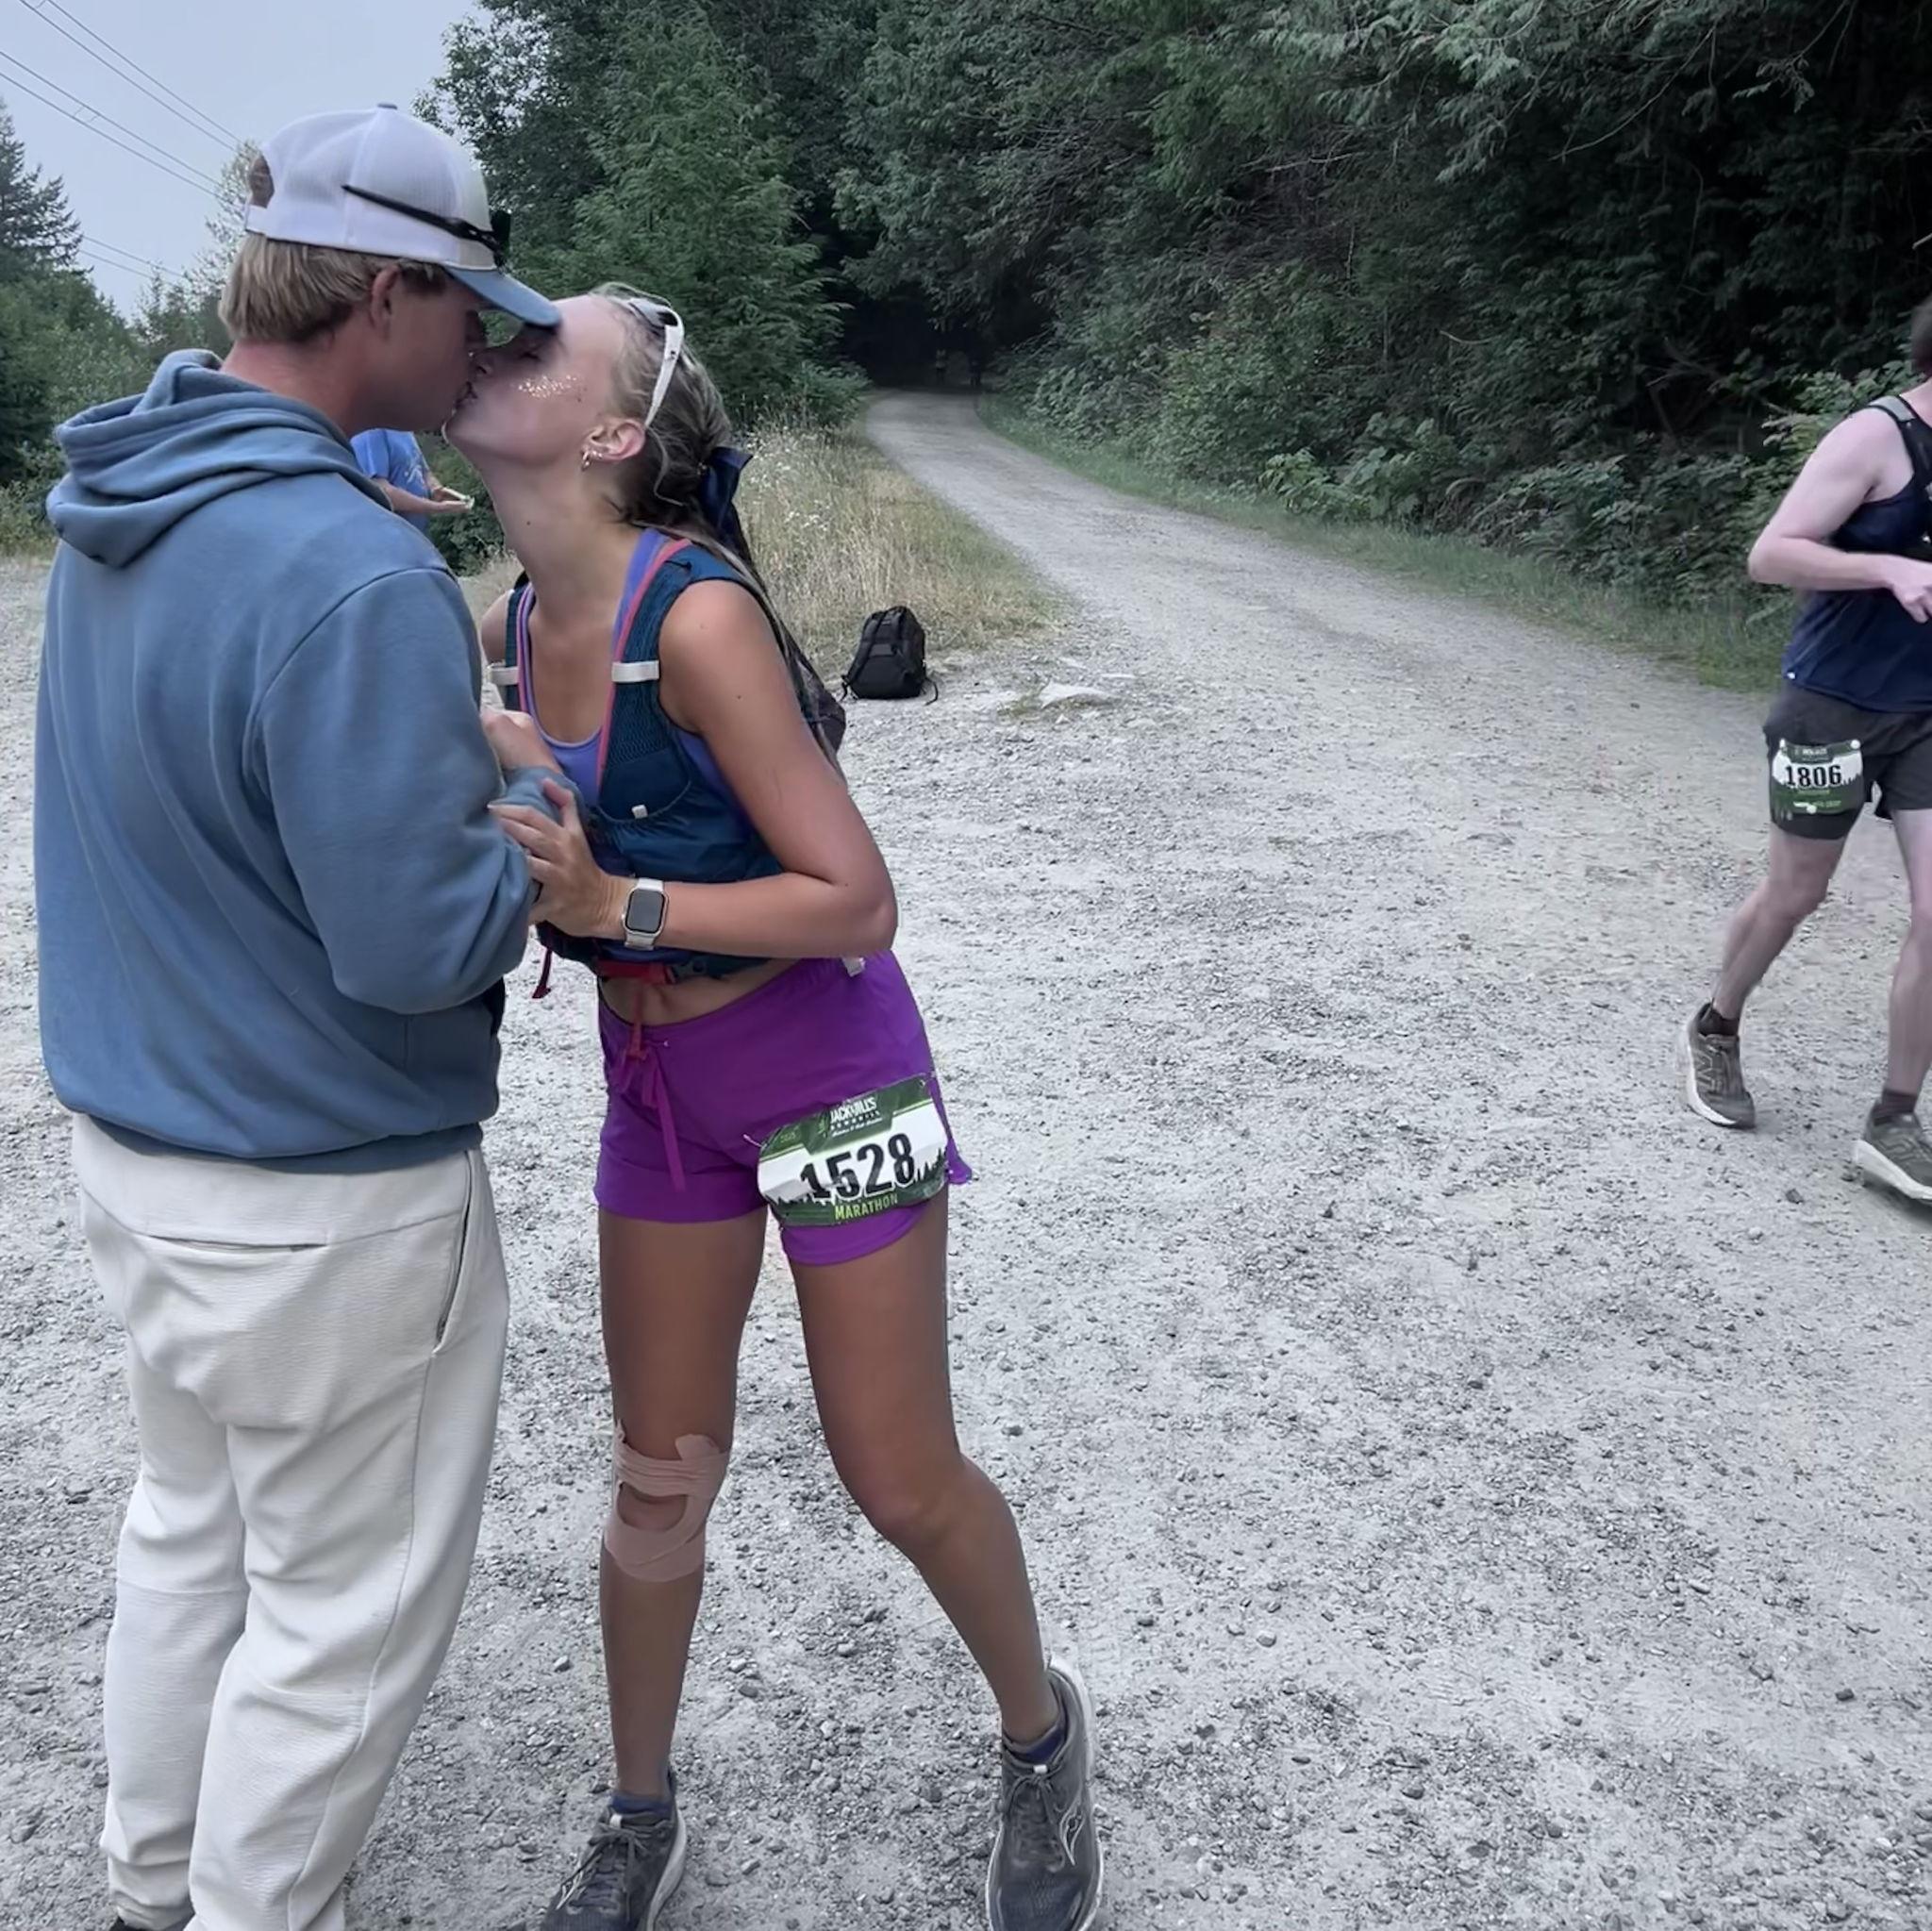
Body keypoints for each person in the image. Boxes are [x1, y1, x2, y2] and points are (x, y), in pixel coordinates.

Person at [447, 288, 1105, 1931]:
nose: (496, 345)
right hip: (659, 1092)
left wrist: (616, 899)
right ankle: (636, 1809)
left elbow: (856, 898)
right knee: (658, 1474)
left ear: (615, 432)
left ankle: (1041, 1734)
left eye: (541, 346)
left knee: (898, 1473)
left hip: (828, 1071)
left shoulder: (698, 620)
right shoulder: (509, 617)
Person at [35, 105, 558, 1931]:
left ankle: (148, 1884)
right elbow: (414, 947)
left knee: (190, 1536)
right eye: (468, 308)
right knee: (340, 1615)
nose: (481, 347)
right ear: (385, 294)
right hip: (324, 1197)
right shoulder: (352, 568)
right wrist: (529, 817)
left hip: (143, 1155)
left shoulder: (124, 503)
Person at [1686, 294, 1932, 1204]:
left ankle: (1894, 1120)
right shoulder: (1877, 438)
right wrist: (1886, 565)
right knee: (1798, 890)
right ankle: (1716, 1025)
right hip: (1832, 704)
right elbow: (1773, 553)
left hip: (1928, 714)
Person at [349, 424, 471, 530]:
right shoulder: (369, 433)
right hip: (395, 540)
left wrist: (436, 490)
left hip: (419, 534)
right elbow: (381, 491)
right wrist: (437, 508)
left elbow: (423, 471)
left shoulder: (402, 427)